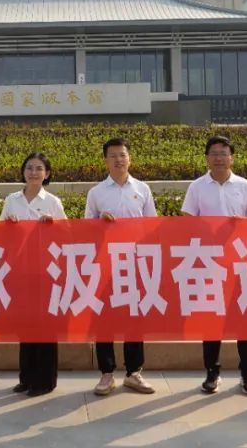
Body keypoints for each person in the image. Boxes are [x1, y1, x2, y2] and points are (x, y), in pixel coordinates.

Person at [181, 136, 247, 396]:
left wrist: (244, 224)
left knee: (244, 321)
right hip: (209, 262)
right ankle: (212, 373)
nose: (219, 158)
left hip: (240, 262)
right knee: (211, 320)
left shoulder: (244, 186)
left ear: (232, 158)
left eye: (223, 153)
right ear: (207, 158)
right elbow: (187, 223)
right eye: (214, 153)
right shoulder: (197, 187)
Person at [85, 137, 157, 396]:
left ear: (130, 158)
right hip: (106, 264)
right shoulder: (96, 193)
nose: (118, 160)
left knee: (134, 318)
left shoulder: (143, 189)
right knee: (104, 319)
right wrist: (100, 224)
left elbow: (152, 226)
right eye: (113, 155)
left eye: (122, 155)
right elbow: (86, 228)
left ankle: (134, 372)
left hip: (135, 263)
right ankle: (107, 373)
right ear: (105, 160)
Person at [1, 152, 66, 397]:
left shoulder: (53, 202)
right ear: (23, 171)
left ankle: (45, 380)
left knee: (46, 325)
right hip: (20, 270)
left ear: (47, 174)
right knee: (25, 325)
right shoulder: (12, 200)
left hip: (46, 271)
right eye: (29, 168)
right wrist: (8, 224)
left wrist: (53, 226)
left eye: (39, 168)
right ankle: (26, 377)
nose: (34, 172)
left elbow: (67, 235)